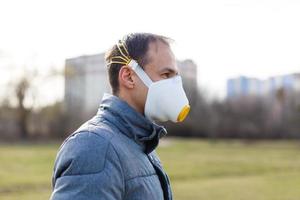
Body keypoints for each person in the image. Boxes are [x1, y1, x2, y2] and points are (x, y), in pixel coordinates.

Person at [51, 33, 190, 200]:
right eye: (166, 75)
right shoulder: (95, 146)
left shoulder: (139, 141)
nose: (175, 85)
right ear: (129, 76)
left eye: (176, 77)